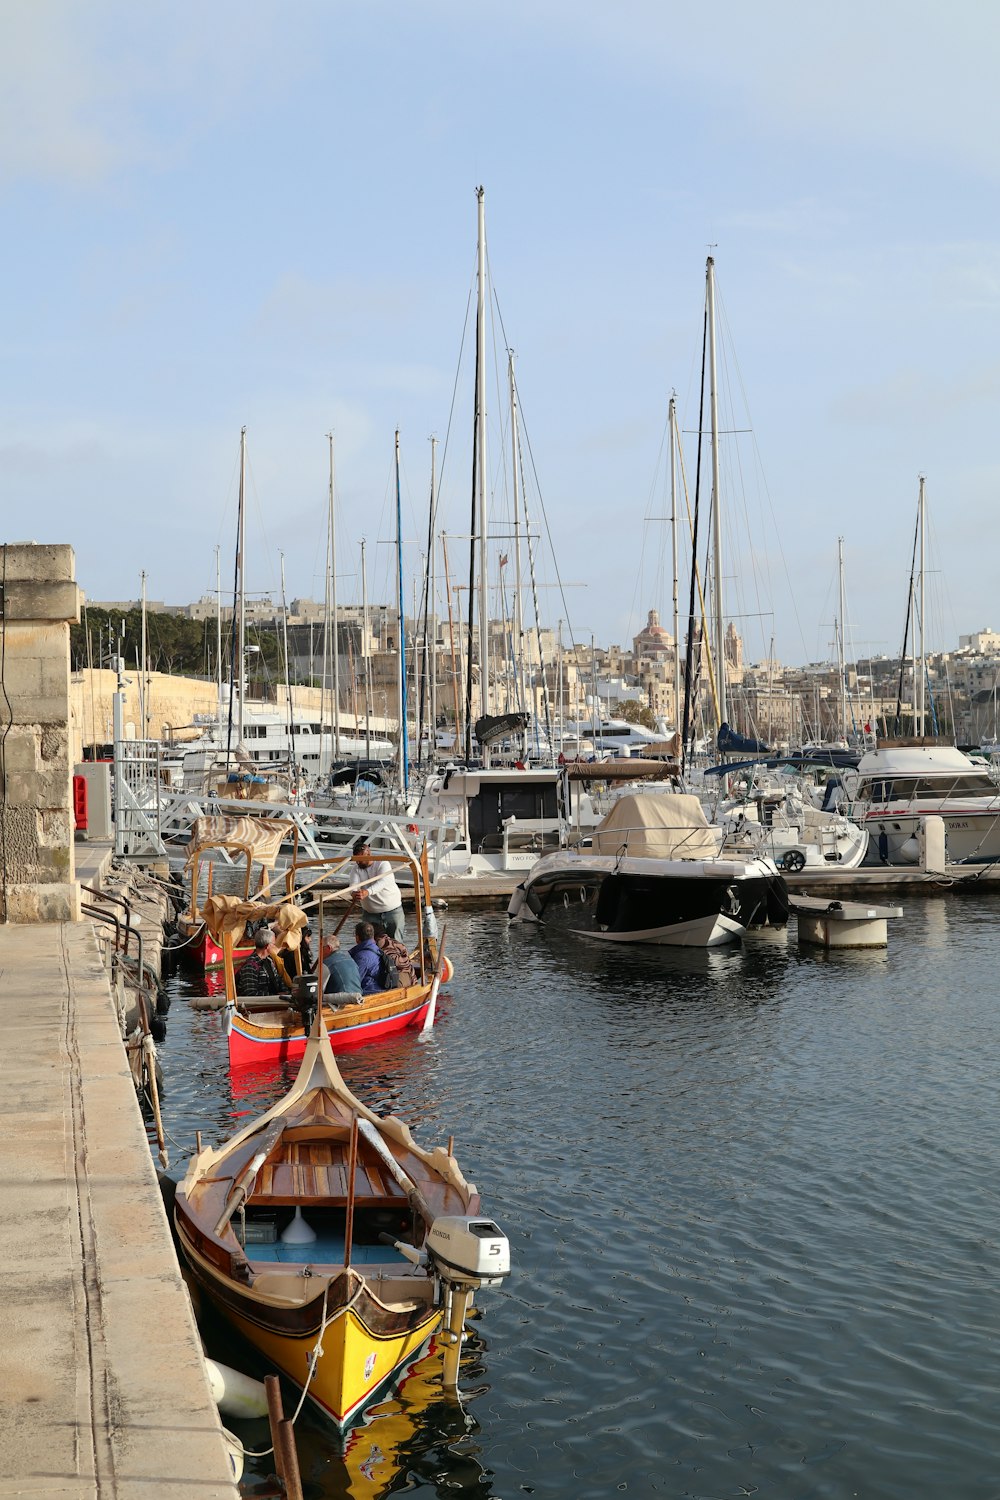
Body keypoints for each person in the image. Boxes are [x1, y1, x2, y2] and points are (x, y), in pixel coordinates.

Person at [349, 837, 405, 940]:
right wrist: (353, 893)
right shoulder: (356, 869)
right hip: (370, 913)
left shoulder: (383, 863)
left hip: (392, 911)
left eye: (361, 860)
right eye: (356, 860)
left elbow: (383, 882)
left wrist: (367, 892)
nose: (358, 863)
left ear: (368, 855)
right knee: (370, 943)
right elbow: (353, 884)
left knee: (396, 942)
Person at [235, 929, 284, 997]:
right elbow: (250, 994)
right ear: (267, 946)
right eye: (274, 944)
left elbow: (278, 981)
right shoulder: (250, 967)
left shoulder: (269, 961)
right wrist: (274, 995)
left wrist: (286, 992)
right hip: (259, 1005)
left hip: (273, 1001)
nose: (276, 946)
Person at [349, 921, 384, 995]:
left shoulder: (362, 957)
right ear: (372, 936)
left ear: (357, 938)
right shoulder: (377, 949)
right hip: (379, 989)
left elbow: (353, 982)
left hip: (369, 993)